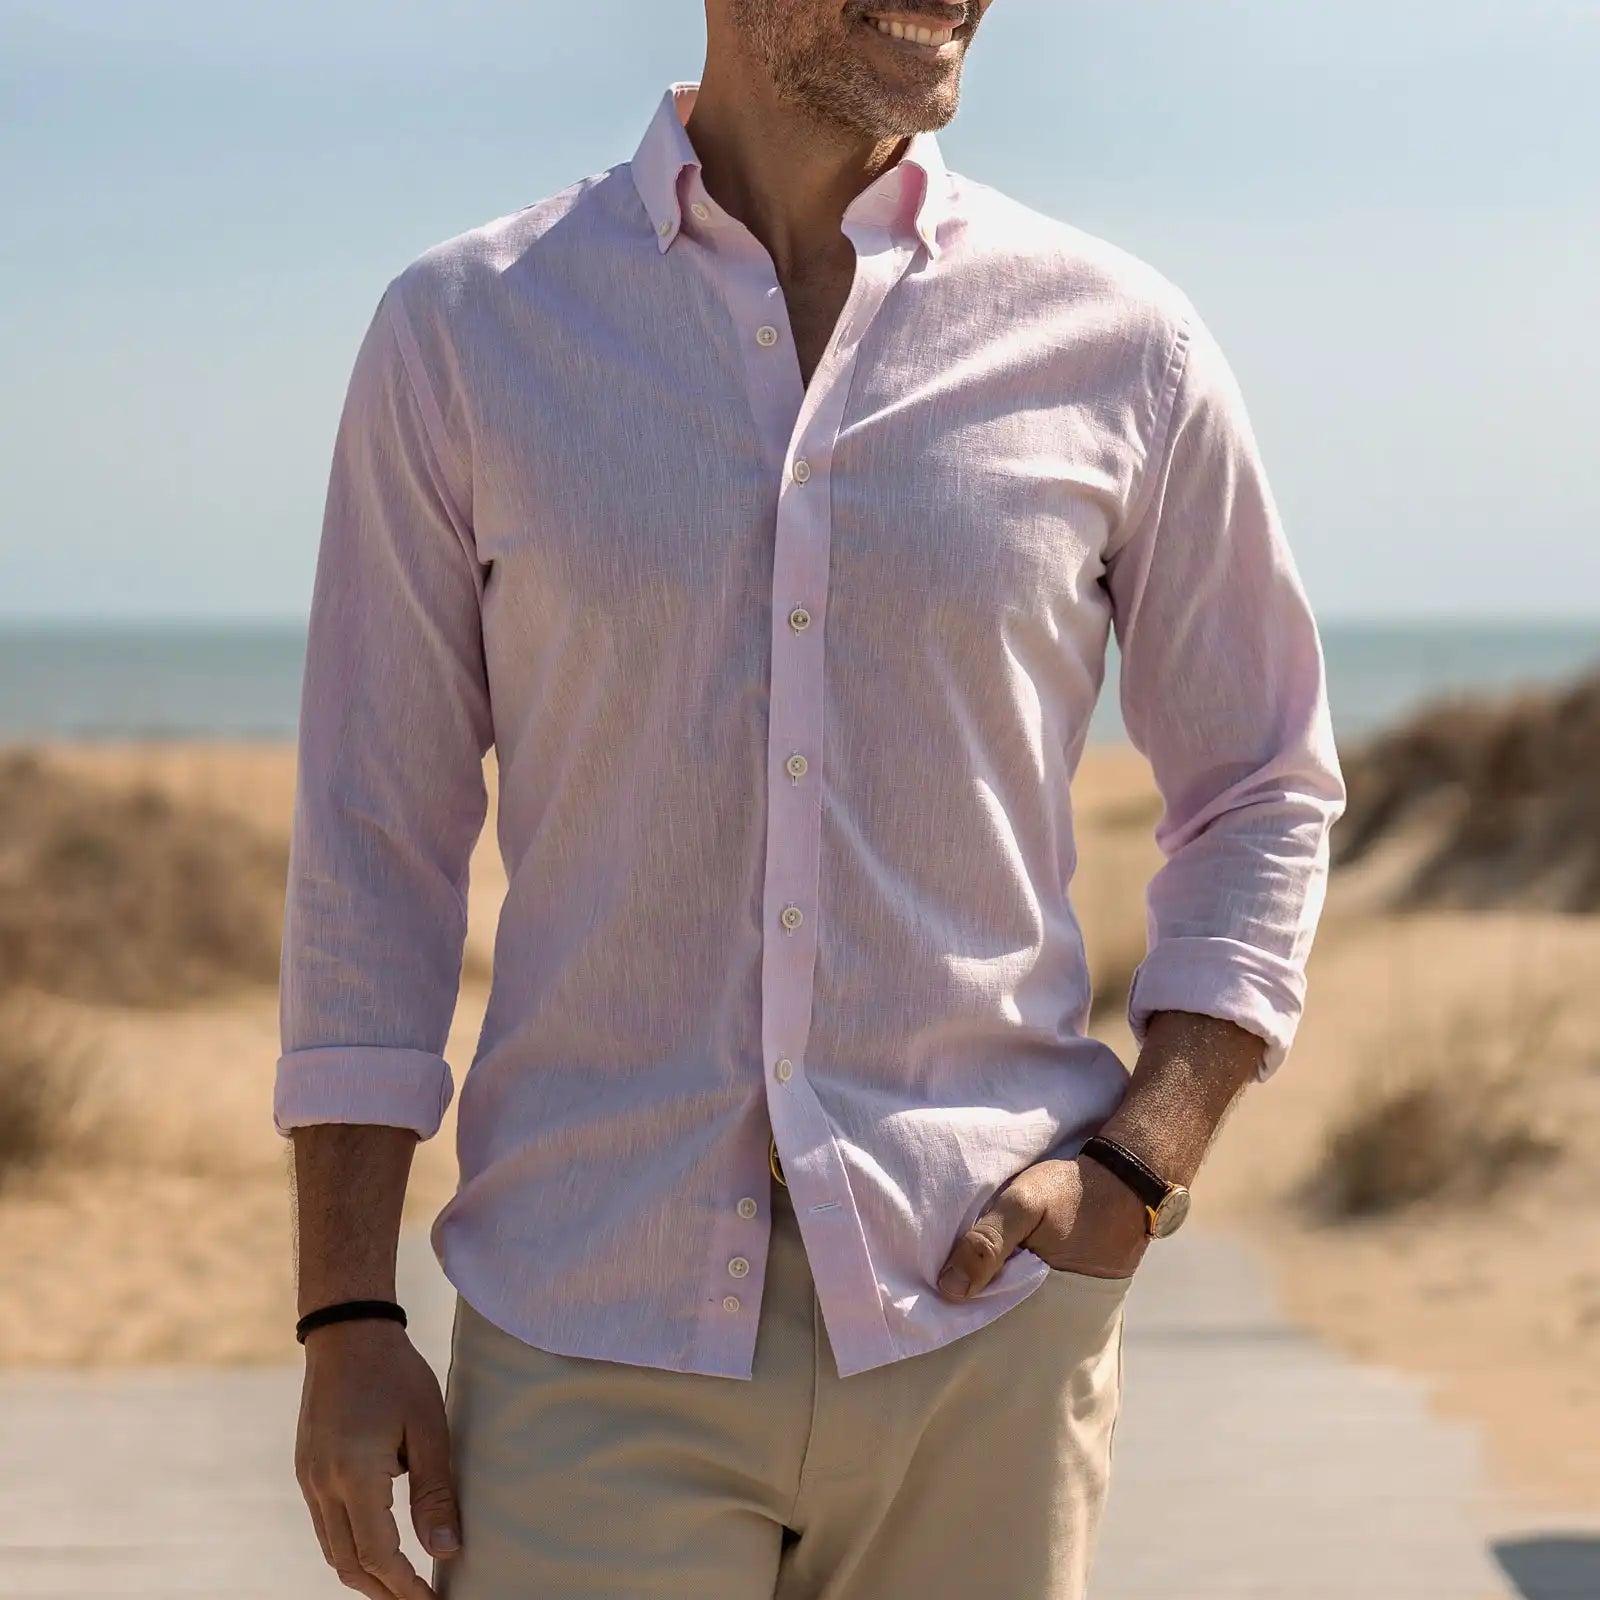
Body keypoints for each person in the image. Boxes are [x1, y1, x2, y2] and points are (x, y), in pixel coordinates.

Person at [274, 2, 1347, 1596]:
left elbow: (1264, 781)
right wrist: (346, 1312)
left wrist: (1144, 1157)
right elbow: (374, 839)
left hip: (980, 1326)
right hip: (589, 1322)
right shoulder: (464, 334)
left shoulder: (1128, 346)